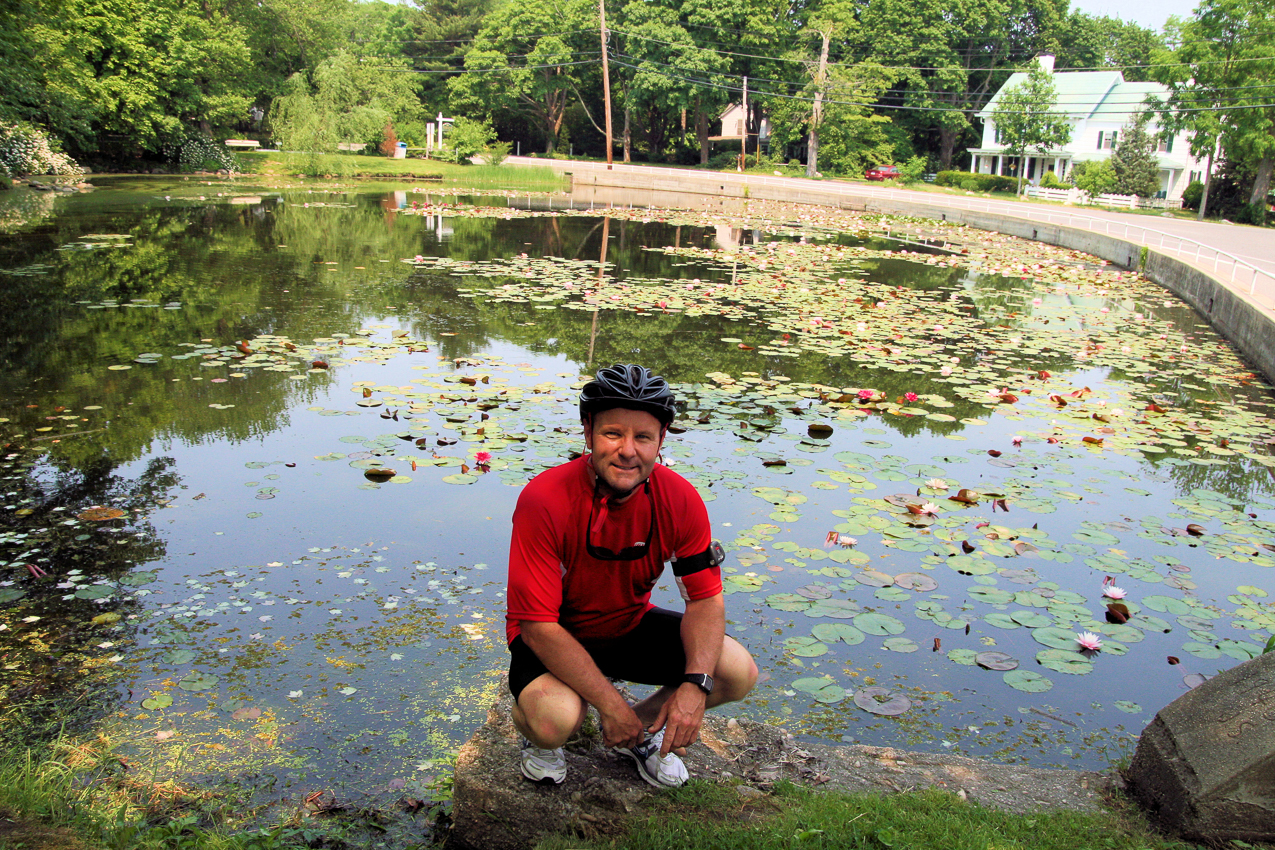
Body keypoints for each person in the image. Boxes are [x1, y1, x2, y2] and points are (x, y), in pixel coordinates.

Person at [505, 364, 758, 788]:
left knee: (736, 671)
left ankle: (640, 732)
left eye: (643, 437)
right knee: (555, 720)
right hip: (552, 635)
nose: (627, 450)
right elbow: (537, 626)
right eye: (613, 433)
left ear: (661, 439)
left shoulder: (680, 499)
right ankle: (539, 737)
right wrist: (610, 705)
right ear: (588, 432)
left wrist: (695, 686)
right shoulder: (545, 499)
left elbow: (704, 600)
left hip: (625, 625)